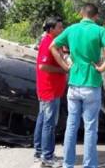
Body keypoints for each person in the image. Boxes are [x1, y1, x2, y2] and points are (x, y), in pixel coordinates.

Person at [50, 3, 105, 168]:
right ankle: (89, 165)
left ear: (82, 13)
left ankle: (68, 164)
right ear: (95, 16)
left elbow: (53, 46)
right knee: (90, 129)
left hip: (73, 85)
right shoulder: (100, 30)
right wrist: (103, 67)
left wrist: (65, 66)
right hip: (91, 85)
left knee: (71, 127)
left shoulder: (71, 29)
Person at [34, 17, 67, 168]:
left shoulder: (54, 42)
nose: (62, 30)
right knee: (48, 124)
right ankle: (47, 157)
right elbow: (42, 66)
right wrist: (62, 70)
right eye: (59, 27)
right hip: (49, 90)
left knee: (42, 121)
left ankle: (39, 152)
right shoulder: (47, 42)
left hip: (51, 90)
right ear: (51, 29)